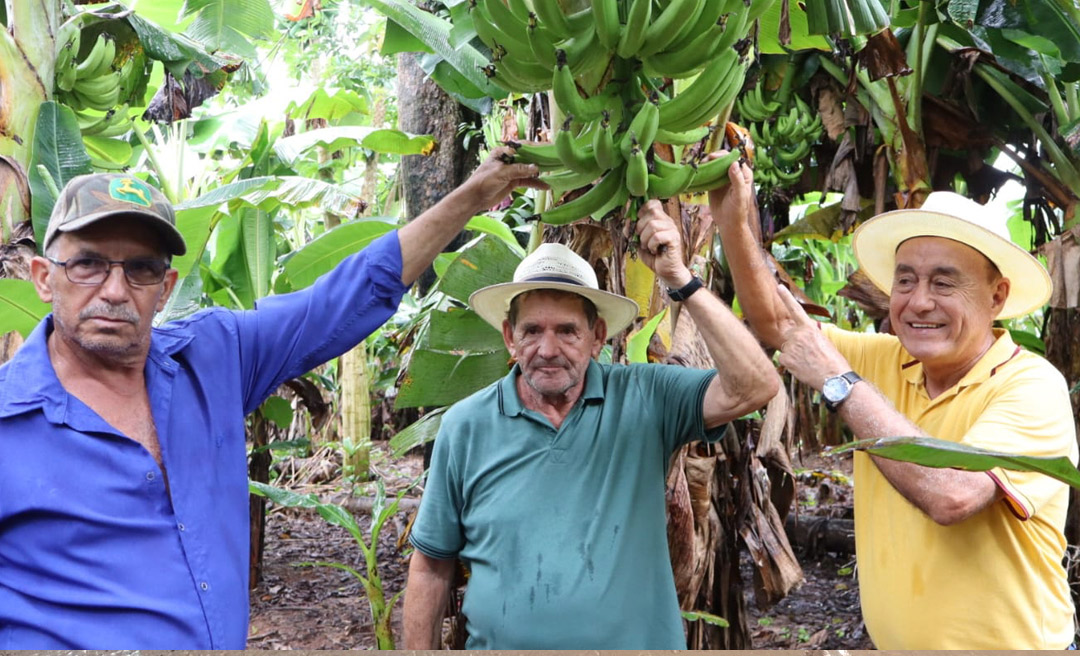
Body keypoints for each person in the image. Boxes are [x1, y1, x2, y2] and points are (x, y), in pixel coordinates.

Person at [0, 149, 545, 649]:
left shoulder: (214, 357)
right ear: (44, 278)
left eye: (141, 269)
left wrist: (473, 195)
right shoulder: (8, 421)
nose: (116, 290)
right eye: (88, 264)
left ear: (165, 289)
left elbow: (346, 295)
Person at [714, 157, 1077, 649]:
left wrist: (840, 382)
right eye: (905, 281)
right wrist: (734, 224)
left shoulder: (1031, 386)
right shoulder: (885, 360)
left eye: (943, 283)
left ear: (996, 297)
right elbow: (779, 325)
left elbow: (952, 494)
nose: (918, 301)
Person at [402, 199, 781, 649]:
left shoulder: (645, 398)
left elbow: (754, 386)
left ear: (598, 336)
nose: (547, 350)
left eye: (567, 331)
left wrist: (679, 278)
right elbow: (431, 565)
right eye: (531, 331)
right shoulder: (466, 426)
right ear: (509, 337)